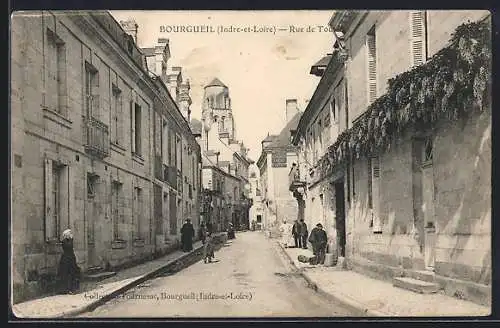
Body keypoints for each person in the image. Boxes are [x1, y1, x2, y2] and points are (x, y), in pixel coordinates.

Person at [57, 229, 81, 294]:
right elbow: (69, 247)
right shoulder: (64, 241)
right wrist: (71, 239)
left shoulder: (69, 241)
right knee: (66, 274)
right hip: (66, 259)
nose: (71, 234)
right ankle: (67, 289)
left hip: (71, 259)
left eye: (71, 233)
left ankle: (72, 289)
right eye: (69, 233)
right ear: (66, 235)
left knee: (72, 274)